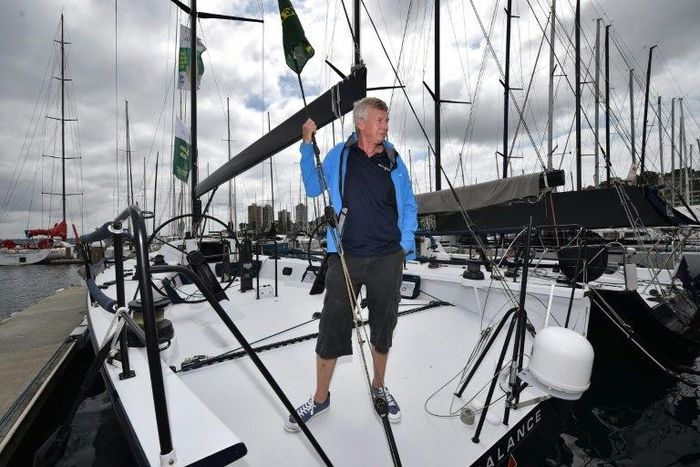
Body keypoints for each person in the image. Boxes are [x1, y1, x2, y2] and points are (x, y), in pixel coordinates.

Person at [285, 97, 418, 432]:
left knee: (383, 328)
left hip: (388, 258)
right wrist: (305, 145)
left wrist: (404, 245)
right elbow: (314, 187)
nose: (386, 126)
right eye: (380, 120)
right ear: (361, 123)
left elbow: (409, 204)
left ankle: (379, 388)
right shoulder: (339, 156)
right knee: (332, 328)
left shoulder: (393, 159)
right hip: (346, 257)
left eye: (387, 121)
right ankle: (319, 399)